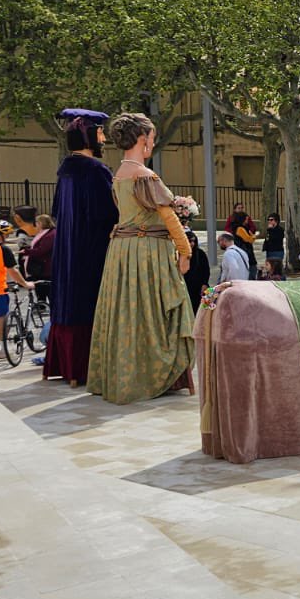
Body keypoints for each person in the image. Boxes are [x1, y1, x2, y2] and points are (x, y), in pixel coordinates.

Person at [88, 113, 195, 405]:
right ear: (141, 138)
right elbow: (169, 218)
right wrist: (185, 251)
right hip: (148, 251)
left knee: (129, 313)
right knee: (157, 313)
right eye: (152, 137)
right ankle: (156, 376)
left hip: (121, 252)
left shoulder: (118, 175)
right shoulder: (144, 175)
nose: (153, 142)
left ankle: (125, 376)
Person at [46, 108, 117, 386]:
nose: (104, 139)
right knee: (89, 301)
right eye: (100, 133)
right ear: (88, 136)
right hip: (90, 250)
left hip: (66, 250)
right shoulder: (96, 170)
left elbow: (55, 211)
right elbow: (108, 213)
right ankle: (84, 368)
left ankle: (65, 367)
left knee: (68, 299)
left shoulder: (65, 171)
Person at [0, 221, 35, 347]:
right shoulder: (2, 249)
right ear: (1, 234)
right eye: (7, 234)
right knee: (1, 320)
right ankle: (3, 349)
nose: (7, 237)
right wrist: (25, 284)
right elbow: (13, 271)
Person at [182, 230, 210, 311]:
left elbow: (206, 270)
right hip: (185, 286)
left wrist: (204, 284)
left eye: (193, 241)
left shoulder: (200, 253)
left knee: (201, 309)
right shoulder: (180, 254)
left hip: (199, 287)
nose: (192, 244)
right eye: (189, 241)